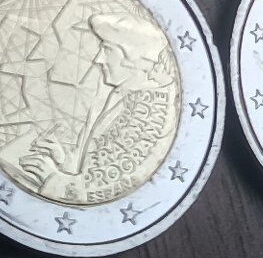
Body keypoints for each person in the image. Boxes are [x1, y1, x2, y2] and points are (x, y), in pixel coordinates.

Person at [18, 12, 178, 203]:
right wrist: (65, 161)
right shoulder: (122, 94)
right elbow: (103, 166)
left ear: (132, 57)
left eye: (107, 50)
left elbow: (118, 186)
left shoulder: (148, 111)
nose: (98, 59)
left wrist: (53, 178)